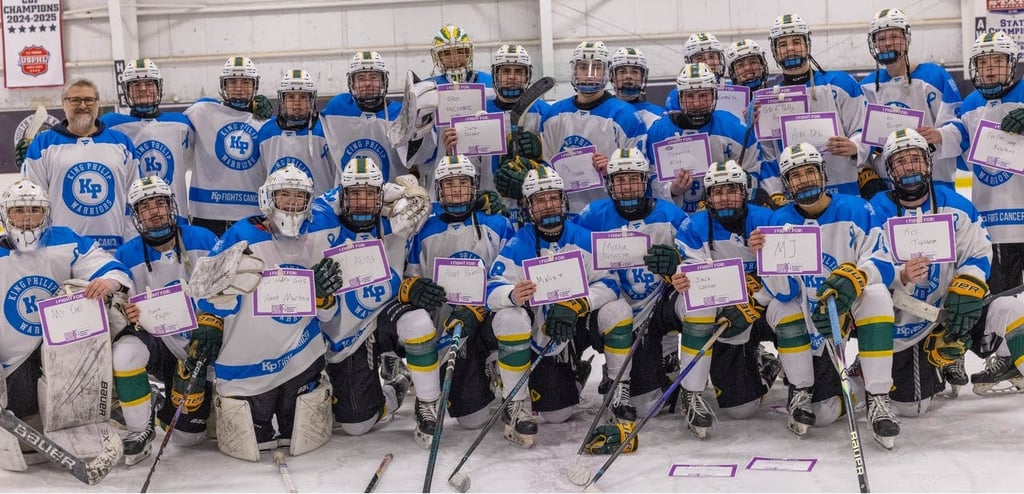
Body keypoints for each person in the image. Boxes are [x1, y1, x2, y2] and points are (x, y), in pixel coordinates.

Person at [749, 142, 900, 449]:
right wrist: (766, 259)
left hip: (849, 307)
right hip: (809, 318)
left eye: (809, 172)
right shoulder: (778, 222)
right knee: (824, 413)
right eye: (795, 175)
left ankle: (878, 396)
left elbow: (884, 262)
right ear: (787, 184)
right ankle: (801, 390)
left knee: (877, 296)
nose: (804, 180)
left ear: (822, 173)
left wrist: (857, 278)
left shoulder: (857, 208)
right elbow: (785, 291)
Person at [869, 128, 1024, 412]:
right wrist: (900, 275)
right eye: (901, 161)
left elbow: (978, 252)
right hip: (907, 320)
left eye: (915, 159)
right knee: (911, 408)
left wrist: (969, 282)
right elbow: (870, 263)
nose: (910, 167)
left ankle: (1002, 359)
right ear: (890, 171)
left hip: (952, 307)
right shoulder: (876, 210)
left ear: (928, 163)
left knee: (1014, 311)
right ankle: (935, 365)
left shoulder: (956, 205)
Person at [195, 165, 340, 457]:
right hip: (248, 360)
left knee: (297, 436)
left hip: (300, 356)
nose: (290, 203)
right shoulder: (242, 234)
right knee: (253, 442)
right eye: (283, 195)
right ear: (267, 198)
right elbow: (203, 288)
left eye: (298, 197)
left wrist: (323, 298)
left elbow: (330, 317)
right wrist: (209, 320)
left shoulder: (319, 236)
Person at [486, 166, 635, 448]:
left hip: (574, 328)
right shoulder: (520, 244)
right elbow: (491, 289)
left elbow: (610, 284)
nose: (548, 205)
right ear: (529, 207)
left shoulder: (583, 237)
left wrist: (579, 304)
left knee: (618, 310)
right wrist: (513, 294)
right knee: (556, 413)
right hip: (540, 331)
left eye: (553, 198)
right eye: (540, 200)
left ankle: (618, 388)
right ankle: (516, 402)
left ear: (563, 199)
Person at [316, 157, 448, 448]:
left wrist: (414, 190)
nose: (363, 202)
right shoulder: (321, 218)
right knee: (357, 425)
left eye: (369, 195)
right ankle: (396, 386)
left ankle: (428, 402)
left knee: (417, 320)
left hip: (385, 311)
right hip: (345, 329)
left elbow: (419, 201)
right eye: (355, 195)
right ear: (342, 196)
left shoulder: (391, 208)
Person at [0, 179, 131, 470]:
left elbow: (107, 266)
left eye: (34, 210)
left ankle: (102, 405)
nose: (26, 218)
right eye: (18, 211)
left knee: (97, 301)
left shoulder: (65, 239)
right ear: (5, 215)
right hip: (12, 360)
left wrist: (108, 281)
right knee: (25, 412)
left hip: (60, 349)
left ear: (45, 213)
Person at [641, 160, 778, 438]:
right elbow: (693, 278)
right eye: (717, 192)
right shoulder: (694, 225)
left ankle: (766, 364)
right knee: (701, 304)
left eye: (731, 190)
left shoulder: (767, 219)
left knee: (743, 409)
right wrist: (677, 275)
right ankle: (692, 393)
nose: (724, 197)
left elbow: (787, 276)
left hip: (756, 306)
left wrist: (761, 271)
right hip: (717, 309)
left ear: (744, 192)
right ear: (708, 196)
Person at [111, 176, 218, 465]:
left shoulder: (204, 239)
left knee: (188, 437)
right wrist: (126, 313)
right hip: (161, 343)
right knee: (124, 353)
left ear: (172, 205)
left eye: (160, 203)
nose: (154, 211)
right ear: (136, 216)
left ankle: (167, 399)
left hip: (206, 342)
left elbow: (228, 292)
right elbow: (119, 305)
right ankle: (138, 428)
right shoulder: (125, 254)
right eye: (145, 207)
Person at [574, 148, 688, 419]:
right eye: (620, 180)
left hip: (653, 313)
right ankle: (584, 370)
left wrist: (678, 262)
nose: (626, 187)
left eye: (633, 179)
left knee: (648, 406)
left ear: (645, 181)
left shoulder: (671, 215)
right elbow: (577, 264)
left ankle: (669, 357)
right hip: (609, 311)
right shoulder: (591, 216)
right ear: (609, 185)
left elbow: (698, 260)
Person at [406, 155, 516, 429]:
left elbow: (510, 278)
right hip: (445, 325)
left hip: (485, 319)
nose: (456, 190)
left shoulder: (497, 224)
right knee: (472, 419)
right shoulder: (423, 229)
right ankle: (420, 388)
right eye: (449, 184)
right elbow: (413, 278)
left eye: (463, 183)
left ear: (475, 186)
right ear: (438, 189)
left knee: (515, 317)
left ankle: (497, 362)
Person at [759, 13, 869, 198]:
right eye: (783, 44)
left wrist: (856, 146)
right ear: (775, 51)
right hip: (795, 199)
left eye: (796, 41)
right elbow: (768, 155)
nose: (790, 49)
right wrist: (775, 193)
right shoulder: (769, 99)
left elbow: (864, 127)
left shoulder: (839, 83)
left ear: (807, 44)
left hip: (845, 191)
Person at [21, 78, 137, 250]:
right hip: (61, 250)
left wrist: (131, 242)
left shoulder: (121, 143)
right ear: (63, 104)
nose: (83, 105)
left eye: (89, 100)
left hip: (114, 247)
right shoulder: (43, 144)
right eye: (75, 100)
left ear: (97, 103)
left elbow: (133, 198)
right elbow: (33, 202)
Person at [859, 8, 965, 190]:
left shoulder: (934, 77)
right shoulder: (867, 86)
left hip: (935, 181)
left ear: (906, 38)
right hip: (889, 185)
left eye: (893, 37)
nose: (887, 43)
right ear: (874, 43)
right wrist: (866, 171)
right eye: (881, 39)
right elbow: (862, 138)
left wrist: (940, 135)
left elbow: (959, 126)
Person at [442, 44, 549, 221]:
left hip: (534, 210)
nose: (512, 77)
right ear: (495, 75)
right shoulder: (476, 112)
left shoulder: (544, 112)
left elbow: (555, 164)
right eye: (505, 70)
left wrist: (542, 148)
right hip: (492, 209)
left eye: (518, 71)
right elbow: (469, 170)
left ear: (527, 75)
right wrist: (451, 152)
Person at [540, 41, 646, 214]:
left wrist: (612, 168)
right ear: (574, 70)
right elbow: (546, 166)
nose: (589, 74)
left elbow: (641, 172)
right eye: (583, 67)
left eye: (596, 68)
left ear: (606, 72)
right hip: (564, 215)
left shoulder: (626, 116)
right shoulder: (553, 115)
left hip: (609, 213)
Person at [956, 31, 1024, 298]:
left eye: (997, 62)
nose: (990, 69)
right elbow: (960, 153)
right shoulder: (970, 104)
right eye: (984, 63)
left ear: (1010, 64)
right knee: (1003, 302)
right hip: (997, 224)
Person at [645, 63, 761, 212]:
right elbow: (650, 179)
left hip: (725, 216)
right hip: (676, 218)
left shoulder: (734, 129)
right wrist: (672, 190)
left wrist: (735, 182)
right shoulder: (658, 132)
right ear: (679, 97)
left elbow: (753, 173)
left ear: (714, 95)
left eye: (703, 95)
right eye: (689, 96)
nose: (697, 103)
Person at [183, 56, 273, 235]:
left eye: (245, 82)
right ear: (223, 86)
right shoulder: (202, 111)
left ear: (255, 86)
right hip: (206, 214)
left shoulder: (264, 122)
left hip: (251, 214)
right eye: (233, 82)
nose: (239, 88)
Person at [101, 58, 196, 220]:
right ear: (127, 91)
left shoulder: (181, 123)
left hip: (175, 213)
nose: (143, 89)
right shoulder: (110, 125)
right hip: (131, 217)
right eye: (136, 85)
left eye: (149, 84)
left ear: (158, 87)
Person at [322, 51, 433, 184]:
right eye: (361, 78)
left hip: (393, 199)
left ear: (383, 81)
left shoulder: (400, 113)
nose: (368, 83)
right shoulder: (337, 108)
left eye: (374, 77)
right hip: (348, 198)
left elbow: (422, 158)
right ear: (351, 82)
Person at [255, 69, 334, 196]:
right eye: (291, 97)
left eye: (303, 97)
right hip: (278, 210)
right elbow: (259, 175)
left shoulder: (326, 129)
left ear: (311, 100)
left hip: (319, 212)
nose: (297, 103)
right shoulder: (266, 131)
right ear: (282, 101)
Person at [665, 33, 728, 112]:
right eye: (699, 58)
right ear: (689, 62)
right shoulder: (678, 94)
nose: (707, 62)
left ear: (720, 59)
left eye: (711, 57)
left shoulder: (734, 88)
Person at [610, 47, 663, 129]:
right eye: (622, 71)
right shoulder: (602, 111)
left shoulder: (658, 115)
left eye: (634, 72)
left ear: (643, 77)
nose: (628, 76)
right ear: (612, 76)